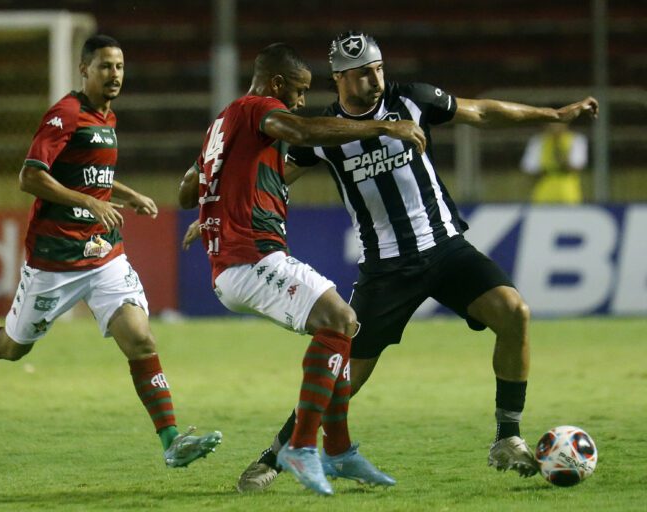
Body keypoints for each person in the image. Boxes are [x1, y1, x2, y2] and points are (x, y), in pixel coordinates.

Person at [228, 31, 599, 492]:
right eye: (365, 72)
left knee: (514, 312)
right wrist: (226, 209)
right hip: (386, 270)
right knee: (344, 377)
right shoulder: (323, 133)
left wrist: (553, 114)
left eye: (379, 68)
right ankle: (277, 453)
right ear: (341, 78)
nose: (376, 79)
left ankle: (507, 436)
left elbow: (481, 112)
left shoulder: (412, 100)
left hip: (446, 249)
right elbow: (275, 177)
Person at [0, 34, 222, 469]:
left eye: (120, 67)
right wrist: (91, 202)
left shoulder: (107, 118)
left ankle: (171, 441)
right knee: (11, 347)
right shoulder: (65, 115)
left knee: (142, 340)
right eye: (106, 66)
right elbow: (30, 177)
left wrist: (124, 195)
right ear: (84, 69)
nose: (115, 75)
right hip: (55, 261)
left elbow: (92, 176)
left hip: (104, 255)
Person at [177, 42, 426, 496]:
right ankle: (303, 447)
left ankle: (341, 450)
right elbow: (301, 131)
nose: (301, 100)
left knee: (341, 333)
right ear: (276, 84)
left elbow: (186, 189)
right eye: (299, 90)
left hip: (234, 261)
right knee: (341, 319)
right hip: (250, 256)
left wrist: (216, 203)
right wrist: (380, 127)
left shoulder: (222, 123)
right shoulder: (259, 107)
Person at [520, 121, 588, 203]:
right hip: (543, 188)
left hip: (568, 189)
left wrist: (558, 146)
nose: (554, 127)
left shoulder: (576, 139)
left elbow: (577, 166)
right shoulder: (538, 141)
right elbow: (529, 168)